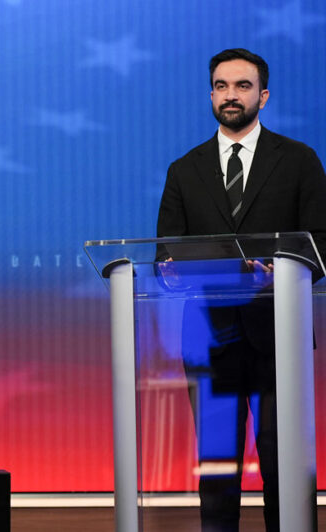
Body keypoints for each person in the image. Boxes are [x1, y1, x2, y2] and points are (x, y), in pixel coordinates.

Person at [156, 48, 326, 532]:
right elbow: (164, 256)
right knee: (218, 470)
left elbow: (323, 244)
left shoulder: (298, 161)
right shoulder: (183, 170)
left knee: (283, 463)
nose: (231, 96)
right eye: (222, 86)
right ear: (211, 94)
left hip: (279, 337)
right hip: (209, 340)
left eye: (243, 86)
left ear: (263, 96)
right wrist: (169, 271)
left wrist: (284, 271)